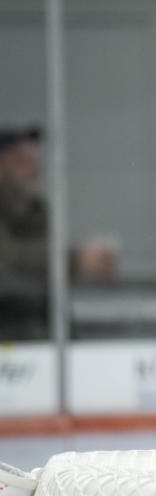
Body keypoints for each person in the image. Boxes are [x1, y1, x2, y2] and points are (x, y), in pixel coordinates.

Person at [0, 126, 49, 342]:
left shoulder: (37, 213)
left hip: (35, 342)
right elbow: (9, 260)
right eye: (22, 162)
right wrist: (73, 262)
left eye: (35, 162)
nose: (34, 170)